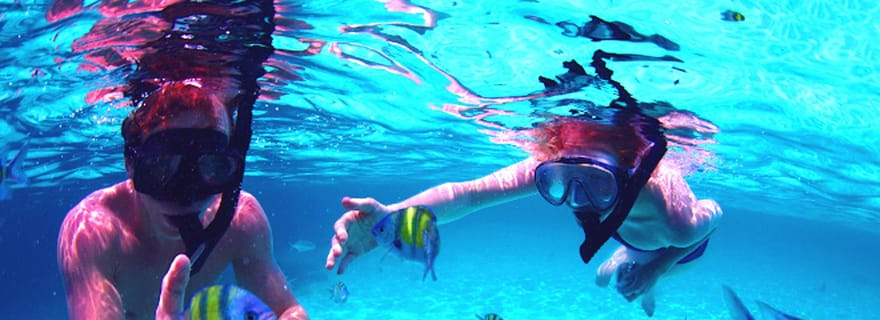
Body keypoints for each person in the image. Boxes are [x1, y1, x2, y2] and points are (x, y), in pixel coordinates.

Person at [325, 105, 722, 316]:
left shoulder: (673, 217)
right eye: (561, 181)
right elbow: (469, 194)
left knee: (633, 277)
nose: (578, 196)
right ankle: (635, 264)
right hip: (633, 235)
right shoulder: (566, 164)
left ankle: (649, 275)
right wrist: (390, 219)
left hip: (680, 249)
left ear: (628, 172)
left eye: (598, 183)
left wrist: (657, 268)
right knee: (605, 279)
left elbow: (713, 216)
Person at [57, 81, 309, 320]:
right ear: (130, 164)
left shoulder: (241, 219)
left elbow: (287, 310)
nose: (186, 193)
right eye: (161, 165)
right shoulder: (93, 232)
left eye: (211, 164)